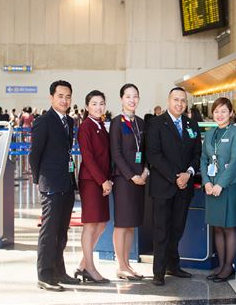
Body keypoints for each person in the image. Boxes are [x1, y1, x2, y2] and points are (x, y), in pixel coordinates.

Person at [145, 87, 202, 286]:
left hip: (184, 186)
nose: (179, 103)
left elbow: (197, 154)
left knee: (177, 228)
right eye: (176, 99)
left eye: (183, 100)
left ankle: (173, 265)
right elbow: (153, 155)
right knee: (162, 230)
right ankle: (158, 272)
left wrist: (188, 173)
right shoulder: (156, 123)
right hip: (163, 186)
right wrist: (174, 176)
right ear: (169, 101)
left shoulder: (191, 124)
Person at [29, 80, 80, 291]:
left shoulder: (69, 121)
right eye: (60, 96)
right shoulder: (44, 121)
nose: (64, 100)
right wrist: (39, 180)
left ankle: (59, 271)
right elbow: (34, 155)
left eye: (68, 96)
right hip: (50, 184)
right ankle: (44, 274)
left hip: (66, 183)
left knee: (62, 231)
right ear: (51, 98)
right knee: (49, 231)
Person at [200, 97, 236, 282]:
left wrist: (220, 184)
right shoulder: (210, 134)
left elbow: (235, 162)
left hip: (228, 186)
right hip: (211, 187)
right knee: (217, 227)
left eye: (223, 111)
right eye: (216, 111)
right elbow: (204, 159)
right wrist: (207, 182)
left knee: (229, 227)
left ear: (231, 113)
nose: (219, 114)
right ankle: (221, 266)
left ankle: (228, 267)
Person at [109, 83, 149, 280]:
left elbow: (147, 151)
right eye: (128, 96)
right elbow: (116, 153)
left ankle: (128, 265)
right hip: (124, 180)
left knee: (132, 223)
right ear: (121, 99)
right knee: (122, 224)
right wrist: (131, 176)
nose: (132, 100)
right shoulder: (117, 122)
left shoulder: (141, 123)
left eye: (135, 96)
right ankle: (120, 265)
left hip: (140, 179)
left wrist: (145, 173)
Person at [75, 90, 113, 283]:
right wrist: (102, 180)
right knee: (90, 225)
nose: (99, 107)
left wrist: (109, 179)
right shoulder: (86, 127)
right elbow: (88, 158)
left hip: (102, 181)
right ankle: (89, 268)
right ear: (87, 106)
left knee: (102, 223)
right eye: (94, 103)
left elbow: (106, 156)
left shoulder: (100, 126)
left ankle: (83, 264)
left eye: (102, 103)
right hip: (91, 181)